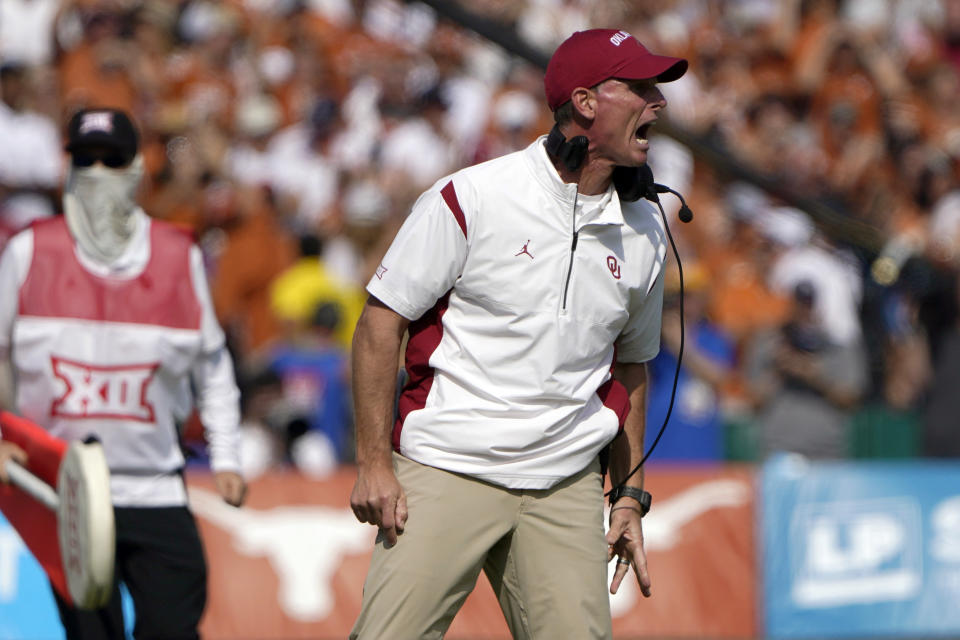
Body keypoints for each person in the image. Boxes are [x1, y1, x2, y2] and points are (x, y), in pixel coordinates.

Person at [349, 29, 687, 639]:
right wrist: (374, 463)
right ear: (585, 103)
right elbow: (380, 321)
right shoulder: (473, 196)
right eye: (639, 87)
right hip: (448, 464)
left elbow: (630, 367)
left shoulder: (647, 231)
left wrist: (629, 497)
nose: (657, 102)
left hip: (565, 482)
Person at [0, 108, 246, 640]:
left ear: (135, 167)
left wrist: (226, 454)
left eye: (110, 159)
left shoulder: (177, 257)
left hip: (155, 486)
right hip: (65, 494)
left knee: (174, 628)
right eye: (84, 158)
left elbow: (213, 363)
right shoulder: (27, 252)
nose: (96, 171)